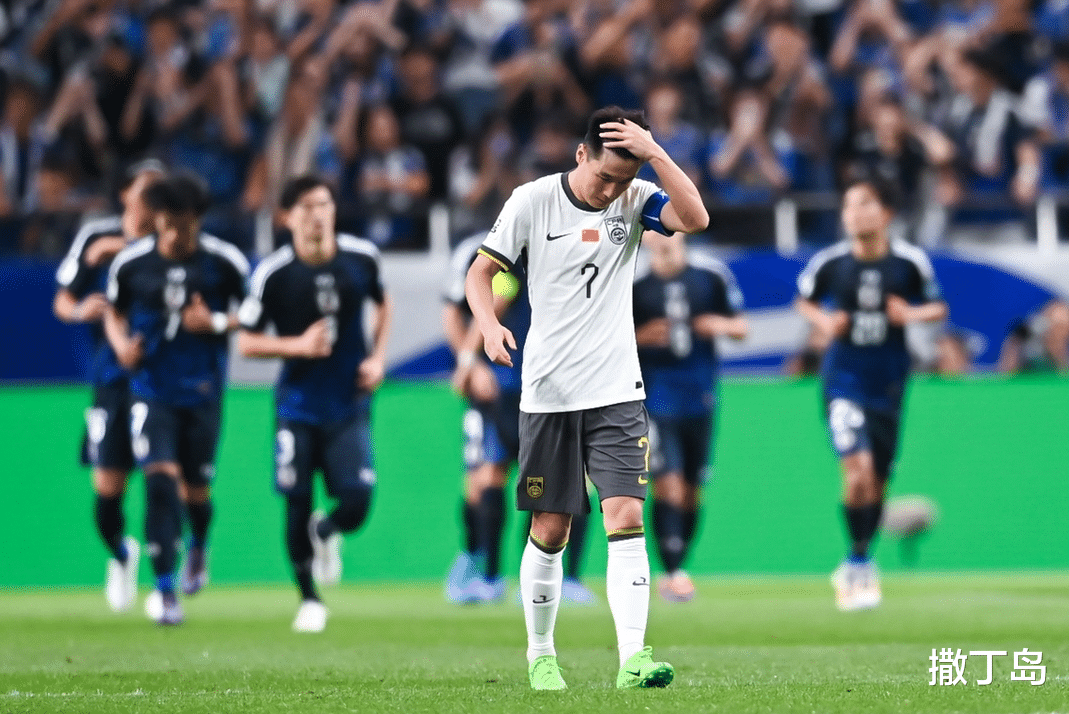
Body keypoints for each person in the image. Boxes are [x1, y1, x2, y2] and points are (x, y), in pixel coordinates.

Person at [465, 106, 709, 690]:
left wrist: (655, 154)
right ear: (581, 155)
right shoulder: (531, 201)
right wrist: (488, 326)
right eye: (604, 177)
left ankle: (633, 659)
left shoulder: (638, 197)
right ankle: (541, 654)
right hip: (549, 394)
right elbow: (480, 274)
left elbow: (696, 218)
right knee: (552, 528)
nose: (611, 190)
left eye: (623, 179)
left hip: (618, 391)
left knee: (625, 515)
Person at [237, 175, 391, 633]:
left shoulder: (362, 257)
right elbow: (246, 342)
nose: (317, 214)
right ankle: (308, 598)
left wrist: (378, 358)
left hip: (349, 403)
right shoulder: (273, 273)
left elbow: (384, 302)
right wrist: (298, 346)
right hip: (297, 406)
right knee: (296, 502)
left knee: (358, 501)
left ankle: (328, 531)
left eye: (324, 204)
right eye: (306, 207)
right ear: (287, 217)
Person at [795, 177, 946, 612]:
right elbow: (804, 301)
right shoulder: (831, 263)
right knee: (857, 471)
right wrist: (824, 322)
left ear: (886, 214)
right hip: (843, 380)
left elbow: (937, 306)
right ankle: (858, 564)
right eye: (848, 206)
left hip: (889, 384)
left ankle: (859, 556)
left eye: (864, 204)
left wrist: (910, 314)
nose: (854, 214)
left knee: (877, 482)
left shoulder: (909, 263)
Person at [105, 174, 249, 625]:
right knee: (160, 484)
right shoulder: (132, 263)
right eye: (165, 225)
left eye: (182, 227)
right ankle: (165, 590)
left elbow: (254, 313)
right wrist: (121, 345)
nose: (173, 236)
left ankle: (199, 544)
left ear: (197, 222)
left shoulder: (224, 262)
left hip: (203, 393)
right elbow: (114, 311)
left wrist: (217, 322)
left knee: (196, 494)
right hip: (151, 391)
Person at [443, 233, 597, 605]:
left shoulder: (563, 248)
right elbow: (489, 303)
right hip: (505, 386)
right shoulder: (496, 259)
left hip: (549, 386)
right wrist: (469, 362)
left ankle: (547, 578)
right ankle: (491, 574)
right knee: (491, 477)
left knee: (554, 483)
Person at [53, 159, 166, 612]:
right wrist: (81, 310)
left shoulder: (171, 237)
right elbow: (63, 299)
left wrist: (120, 246)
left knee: (163, 484)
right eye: (146, 189)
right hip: (111, 378)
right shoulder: (94, 236)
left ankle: (165, 585)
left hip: (160, 379)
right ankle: (121, 553)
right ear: (126, 194)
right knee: (106, 494)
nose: (155, 199)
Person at [633, 230, 748, 603]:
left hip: (700, 395)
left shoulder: (710, 277)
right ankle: (672, 572)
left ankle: (679, 564)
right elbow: (608, 339)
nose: (664, 236)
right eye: (654, 229)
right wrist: (639, 337)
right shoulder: (633, 284)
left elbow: (741, 327)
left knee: (692, 489)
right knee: (667, 483)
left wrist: (719, 325)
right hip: (654, 397)